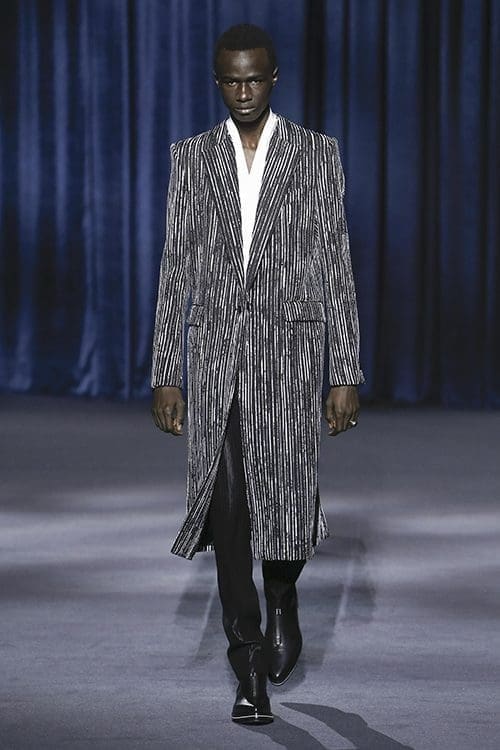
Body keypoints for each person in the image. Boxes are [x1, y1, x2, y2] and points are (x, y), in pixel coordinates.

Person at [151, 23, 363, 725]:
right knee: (229, 512)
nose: (243, 92)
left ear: (274, 78)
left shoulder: (314, 154)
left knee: (287, 499)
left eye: (254, 79)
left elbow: (336, 265)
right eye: (231, 81)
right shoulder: (192, 158)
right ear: (218, 82)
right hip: (215, 359)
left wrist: (345, 368)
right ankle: (247, 665)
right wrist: (166, 371)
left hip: (291, 357)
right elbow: (175, 268)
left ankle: (282, 593)